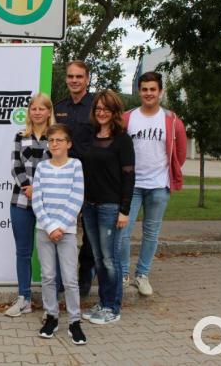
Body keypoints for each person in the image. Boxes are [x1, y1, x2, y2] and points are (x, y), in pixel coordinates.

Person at [119, 71, 187, 296]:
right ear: (139, 91)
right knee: (124, 232)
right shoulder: (128, 118)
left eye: (153, 89)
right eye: (145, 89)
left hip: (159, 185)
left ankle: (142, 275)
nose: (149, 93)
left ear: (160, 92)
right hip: (132, 186)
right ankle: (123, 274)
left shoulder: (172, 120)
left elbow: (180, 153)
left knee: (151, 233)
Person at [80, 89, 135, 325]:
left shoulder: (123, 139)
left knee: (110, 259)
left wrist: (124, 210)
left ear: (115, 112)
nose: (101, 113)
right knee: (99, 258)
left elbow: (129, 178)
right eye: (98, 108)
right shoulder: (92, 135)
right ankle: (103, 302)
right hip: (90, 206)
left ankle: (113, 308)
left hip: (111, 207)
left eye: (106, 109)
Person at [32, 124, 87, 345]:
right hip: (44, 230)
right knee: (48, 277)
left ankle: (74, 321)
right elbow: (37, 199)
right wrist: (48, 226)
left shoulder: (76, 166)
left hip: (66, 231)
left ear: (68, 144)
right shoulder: (42, 168)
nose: (54, 144)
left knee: (70, 279)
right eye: (51, 140)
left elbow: (76, 198)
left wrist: (60, 227)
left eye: (59, 140)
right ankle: (51, 317)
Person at [4, 93, 53, 317]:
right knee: (23, 252)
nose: (37, 112)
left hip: (48, 203)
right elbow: (16, 167)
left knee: (49, 253)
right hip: (21, 201)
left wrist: (38, 189)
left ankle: (50, 303)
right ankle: (24, 298)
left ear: (49, 112)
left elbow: (56, 168)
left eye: (41, 108)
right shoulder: (20, 136)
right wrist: (28, 188)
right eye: (33, 108)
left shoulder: (55, 137)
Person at [53, 60, 96, 296]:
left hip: (90, 178)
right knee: (63, 227)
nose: (74, 80)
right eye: (71, 76)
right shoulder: (59, 107)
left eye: (79, 76)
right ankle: (61, 277)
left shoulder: (96, 106)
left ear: (87, 79)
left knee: (88, 230)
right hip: (64, 180)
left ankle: (84, 275)